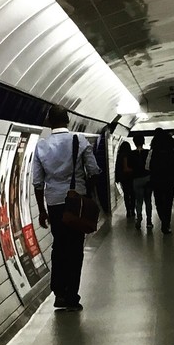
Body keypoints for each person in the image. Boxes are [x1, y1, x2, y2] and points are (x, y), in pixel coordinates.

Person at [32, 109, 100, 311]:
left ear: (48, 121)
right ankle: (72, 296)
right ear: (68, 120)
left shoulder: (41, 145)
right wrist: (88, 194)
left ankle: (59, 292)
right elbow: (93, 170)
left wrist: (42, 211)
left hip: (54, 204)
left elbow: (38, 183)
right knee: (75, 248)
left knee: (59, 246)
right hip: (76, 202)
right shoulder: (79, 140)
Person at [147, 128, 174, 235]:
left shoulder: (153, 150)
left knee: (159, 202)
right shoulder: (172, 149)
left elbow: (147, 166)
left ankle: (163, 220)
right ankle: (166, 224)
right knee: (168, 203)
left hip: (156, 180)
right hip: (170, 180)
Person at [114, 136, 147, 226]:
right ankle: (132, 210)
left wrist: (117, 178)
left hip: (123, 178)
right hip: (131, 177)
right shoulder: (130, 154)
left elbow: (117, 168)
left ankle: (128, 210)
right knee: (132, 194)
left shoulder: (119, 156)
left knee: (126, 194)